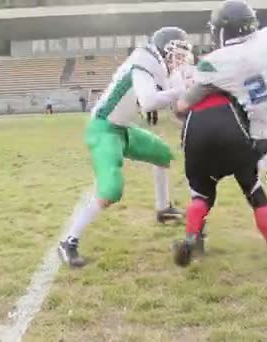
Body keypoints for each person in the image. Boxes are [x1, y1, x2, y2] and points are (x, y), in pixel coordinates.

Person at [173, 0, 267, 278]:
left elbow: (186, 103)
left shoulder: (217, 62)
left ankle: (195, 237)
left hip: (256, 132)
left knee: (218, 187)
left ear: (223, 30)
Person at [57, 27, 192, 268]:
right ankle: (68, 241)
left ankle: (163, 209)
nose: (179, 60)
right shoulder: (143, 63)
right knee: (110, 191)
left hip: (121, 128)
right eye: (177, 53)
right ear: (163, 49)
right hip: (103, 128)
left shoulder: (159, 67)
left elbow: (175, 102)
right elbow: (149, 101)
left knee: (162, 154)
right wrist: (180, 91)